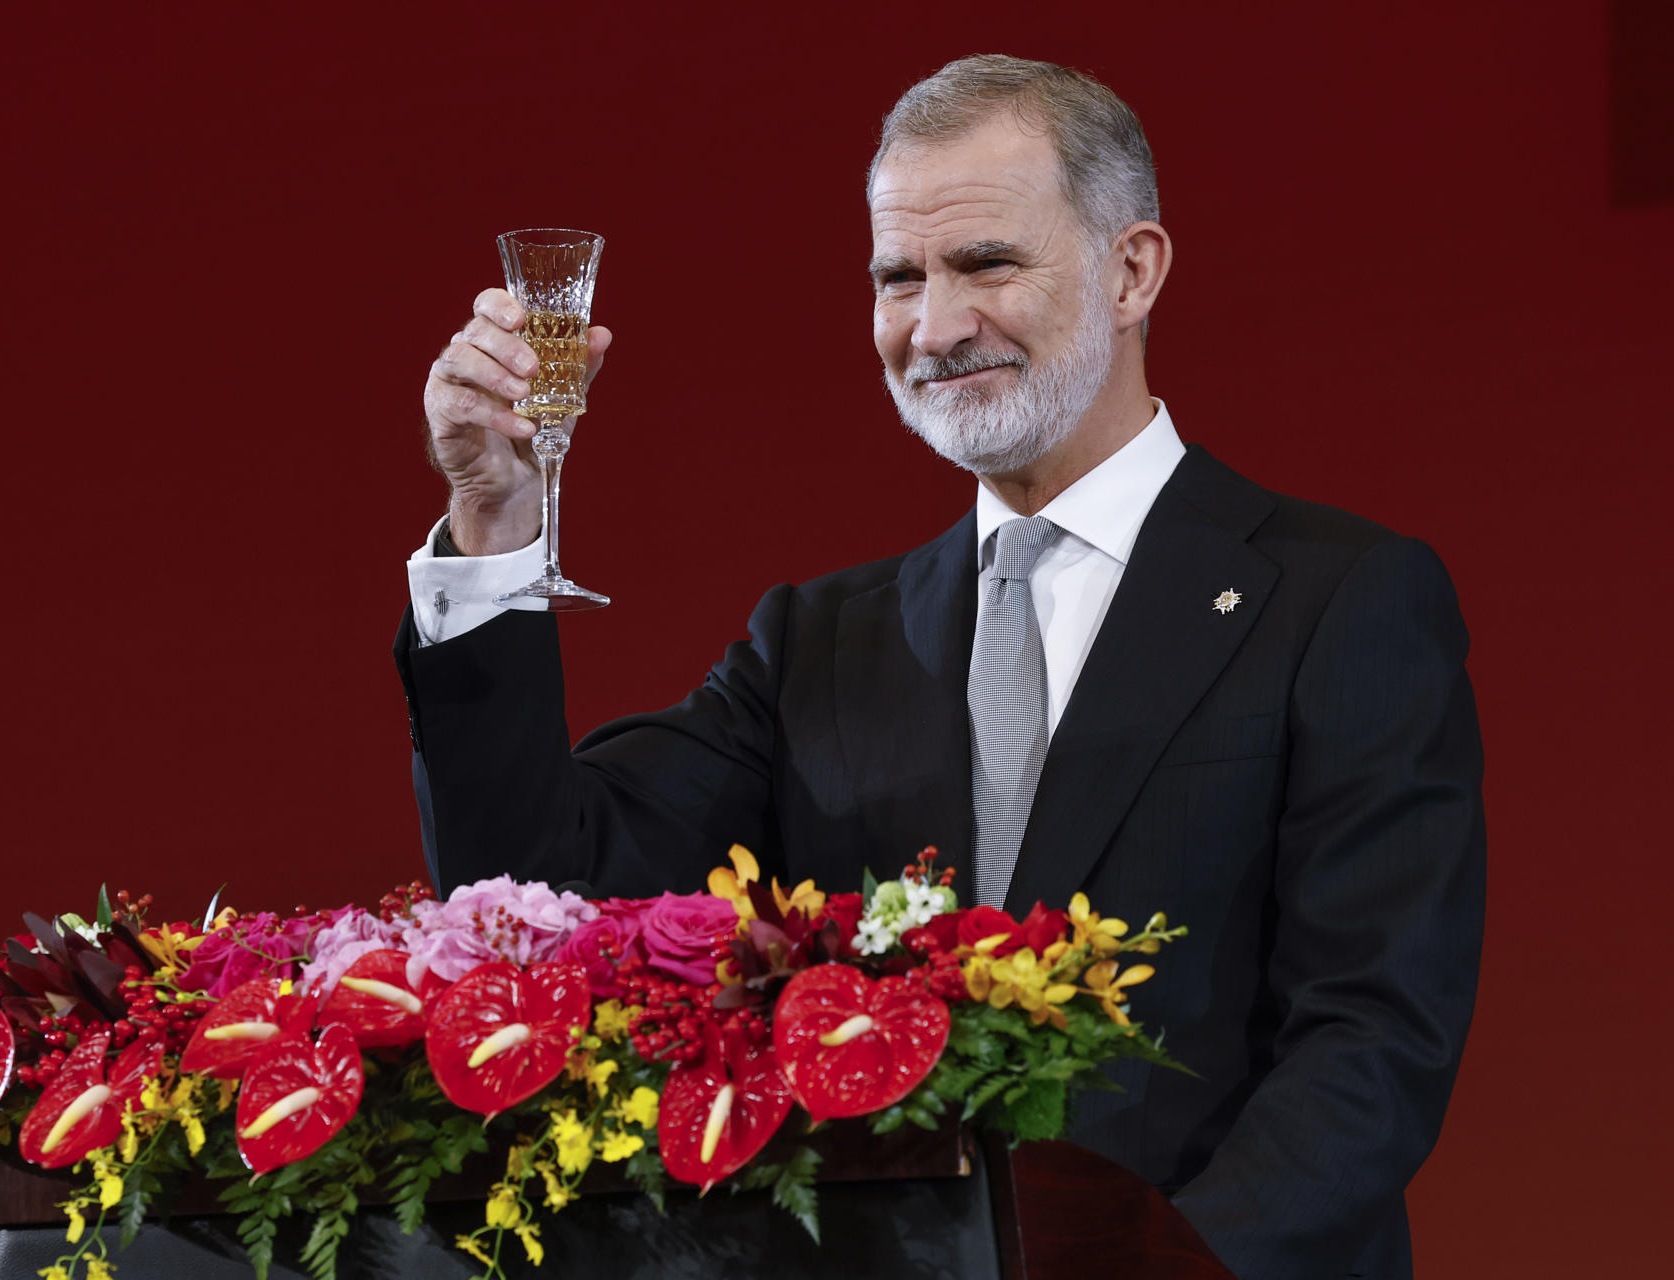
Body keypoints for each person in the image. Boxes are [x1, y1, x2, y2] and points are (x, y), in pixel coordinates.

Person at [395, 55, 1484, 1280]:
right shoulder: (817, 640)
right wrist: (493, 524)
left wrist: (1155, 1267)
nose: (935, 325)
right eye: (898, 277)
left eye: (987, 264)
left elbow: (1372, 1042)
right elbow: (534, 896)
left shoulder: (1338, 599)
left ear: (1132, 271)